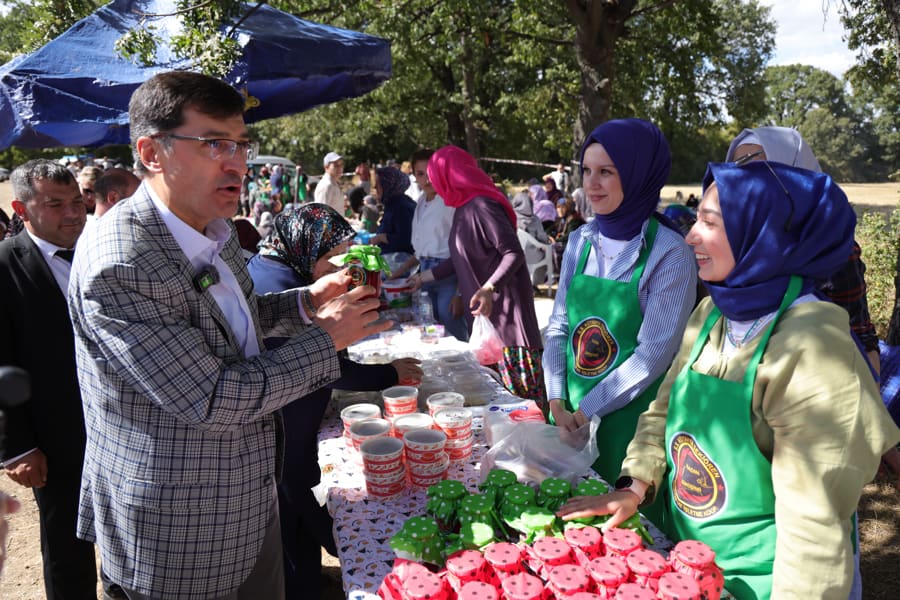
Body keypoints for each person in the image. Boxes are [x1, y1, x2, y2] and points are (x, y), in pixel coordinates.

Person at [67, 71, 389, 600]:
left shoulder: (209, 228)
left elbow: (231, 321)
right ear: (152, 152)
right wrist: (326, 337)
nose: (237, 161)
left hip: (246, 498)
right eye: (215, 143)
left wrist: (308, 299)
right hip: (180, 528)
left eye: (241, 144)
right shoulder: (122, 259)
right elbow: (211, 397)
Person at [557, 160, 900, 599]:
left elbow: (815, 536)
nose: (690, 236)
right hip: (690, 564)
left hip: (762, 582)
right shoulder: (714, 312)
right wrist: (634, 486)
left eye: (709, 222)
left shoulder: (814, 352)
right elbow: (662, 411)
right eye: (696, 217)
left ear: (765, 234)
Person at [246, 204, 421, 599]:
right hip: (285, 423)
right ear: (306, 247)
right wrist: (389, 374)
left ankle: (306, 575)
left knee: (293, 508)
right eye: (331, 258)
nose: (335, 269)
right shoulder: (277, 283)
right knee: (293, 504)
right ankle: (302, 584)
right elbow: (323, 360)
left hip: (293, 418)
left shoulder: (282, 267)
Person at [543, 119, 697, 522]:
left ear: (638, 175)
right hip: (567, 416)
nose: (592, 185)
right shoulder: (579, 240)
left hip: (627, 426)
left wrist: (588, 409)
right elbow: (559, 326)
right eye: (587, 171)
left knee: (622, 538)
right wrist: (557, 398)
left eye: (607, 172)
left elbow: (653, 355)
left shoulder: (669, 254)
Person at [0, 160, 98, 598]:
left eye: (76, 201)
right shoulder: (5, 267)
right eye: (55, 204)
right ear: (22, 209)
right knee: (68, 542)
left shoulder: (100, 247)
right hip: (56, 434)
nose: (73, 213)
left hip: (120, 422)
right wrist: (16, 446)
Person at [725, 126, 881, 372]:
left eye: (752, 163)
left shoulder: (832, 249)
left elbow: (860, 339)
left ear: (794, 170)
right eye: (735, 168)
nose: (742, 176)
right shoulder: (731, 242)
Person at [410, 146, 546, 402]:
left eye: (434, 174)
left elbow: (513, 253)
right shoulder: (462, 209)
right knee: (497, 401)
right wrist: (422, 278)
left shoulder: (482, 206)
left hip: (508, 323)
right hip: (486, 321)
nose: (431, 182)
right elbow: (459, 259)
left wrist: (489, 288)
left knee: (522, 404)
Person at [395, 149, 468, 341]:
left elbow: (463, 250)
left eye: (430, 173)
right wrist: (401, 270)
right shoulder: (420, 202)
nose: (426, 179)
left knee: (453, 328)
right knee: (432, 331)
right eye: (420, 174)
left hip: (448, 274)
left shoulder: (449, 202)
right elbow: (421, 250)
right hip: (424, 275)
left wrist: (460, 293)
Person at [369, 166, 416, 255]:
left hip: (401, 264)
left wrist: (382, 238)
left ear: (388, 185)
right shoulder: (392, 204)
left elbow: (406, 240)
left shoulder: (402, 207)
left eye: (378, 184)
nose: (375, 187)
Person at [550, 197, 585, 273]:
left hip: (577, 246)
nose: (559, 210)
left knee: (553, 248)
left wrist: (555, 240)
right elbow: (553, 228)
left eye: (562, 207)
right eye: (558, 207)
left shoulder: (574, 219)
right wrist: (549, 235)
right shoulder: (562, 219)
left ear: (568, 208)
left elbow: (570, 235)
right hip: (568, 243)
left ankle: (558, 273)